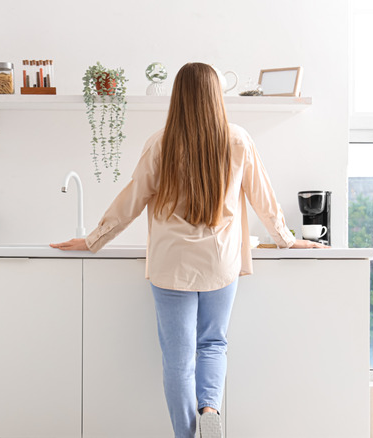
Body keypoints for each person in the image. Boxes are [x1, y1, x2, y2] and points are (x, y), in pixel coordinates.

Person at [50, 62, 328, 438]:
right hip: (220, 260)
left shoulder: (160, 142)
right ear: (217, 95)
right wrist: (286, 238)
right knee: (213, 343)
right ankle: (210, 407)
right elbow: (264, 197)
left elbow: (131, 199)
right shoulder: (238, 139)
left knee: (179, 361)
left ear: (177, 96)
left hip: (171, 263)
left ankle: (187, 434)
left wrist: (95, 239)